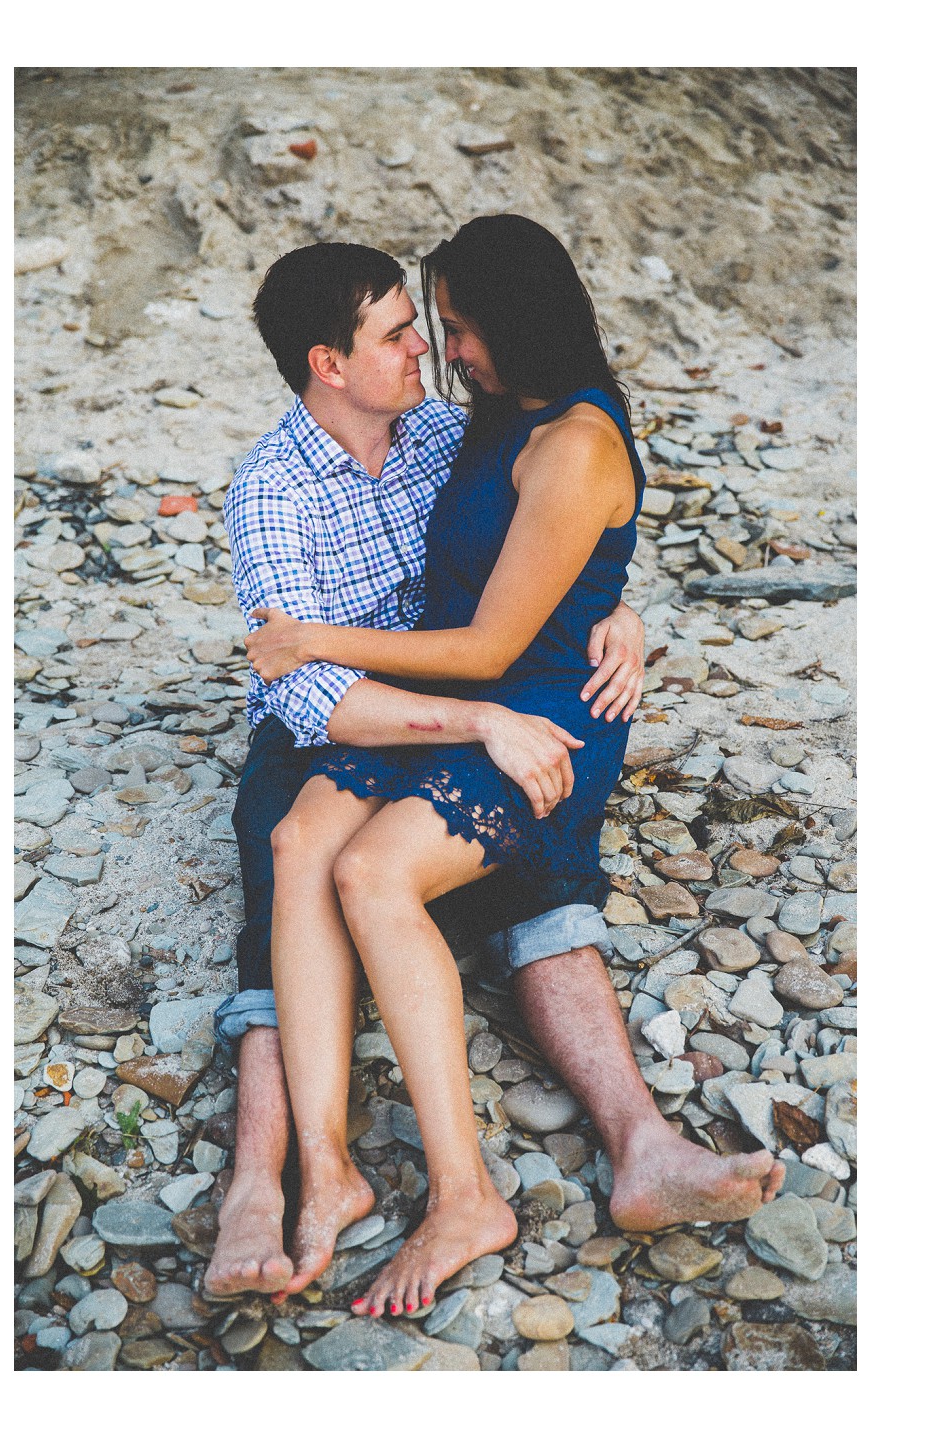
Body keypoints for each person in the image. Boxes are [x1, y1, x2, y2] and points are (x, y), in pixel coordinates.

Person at [243, 216, 780, 1315]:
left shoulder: (514, 432)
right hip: (409, 709)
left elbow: (518, 614)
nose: (436, 352)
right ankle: (304, 1171)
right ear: (327, 365)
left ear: (510, 327)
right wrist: (605, 599)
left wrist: (617, 614)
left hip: (521, 703)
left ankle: (468, 1193)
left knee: (381, 877)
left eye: (445, 327)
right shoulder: (442, 429)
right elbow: (518, 570)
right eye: (412, 332)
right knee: (299, 847)